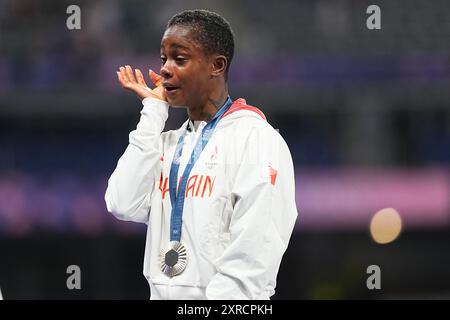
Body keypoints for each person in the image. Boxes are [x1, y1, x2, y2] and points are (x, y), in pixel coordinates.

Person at [105, 9, 298, 300]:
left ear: (216, 66)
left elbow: (255, 252)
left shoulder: (256, 140)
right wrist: (153, 112)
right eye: (163, 59)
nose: (166, 70)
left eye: (179, 59)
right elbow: (121, 203)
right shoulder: (167, 143)